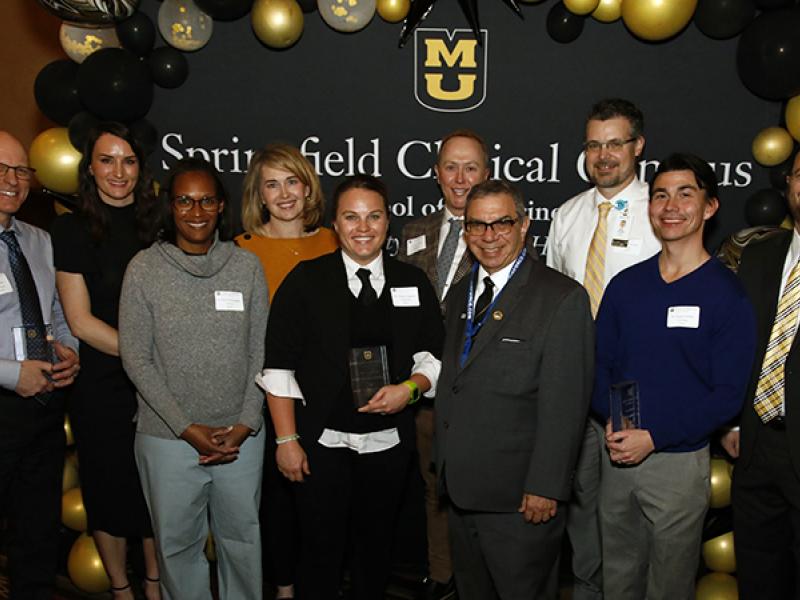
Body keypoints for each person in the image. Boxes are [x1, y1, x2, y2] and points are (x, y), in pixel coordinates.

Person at [261, 174, 444, 600]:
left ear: (387, 221)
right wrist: (286, 441)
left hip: (387, 446)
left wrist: (409, 390)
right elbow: (279, 368)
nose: (363, 227)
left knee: (375, 554)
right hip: (320, 445)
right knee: (319, 554)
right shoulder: (305, 281)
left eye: (373, 216)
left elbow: (434, 357)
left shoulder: (412, 282)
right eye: (351, 217)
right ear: (335, 223)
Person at [591, 154, 755, 600]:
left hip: (679, 464)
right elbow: (598, 365)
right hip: (617, 454)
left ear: (710, 206)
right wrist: (615, 421)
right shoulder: (626, 285)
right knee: (617, 581)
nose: (671, 206)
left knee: (669, 587)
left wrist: (654, 436)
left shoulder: (727, 295)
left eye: (686, 194)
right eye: (660, 195)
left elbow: (728, 394)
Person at [435, 179, 594, 600]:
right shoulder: (462, 292)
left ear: (524, 225)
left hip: (520, 499)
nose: (489, 236)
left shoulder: (561, 298)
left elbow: (566, 405)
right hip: (462, 490)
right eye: (477, 225)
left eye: (501, 223)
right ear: (465, 230)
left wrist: (546, 486)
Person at [119, 157, 268, 600]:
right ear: (170, 206)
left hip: (240, 438)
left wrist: (245, 424)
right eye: (185, 201)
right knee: (177, 549)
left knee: (243, 545)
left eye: (206, 201)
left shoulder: (246, 266)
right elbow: (136, 358)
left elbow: (261, 351)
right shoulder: (143, 269)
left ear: (222, 206)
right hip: (168, 438)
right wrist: (186, 428)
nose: (196, 211)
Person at [545, 98, 661, 599]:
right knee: (580, 507)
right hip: (575, 386)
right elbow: (554, 300)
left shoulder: (662, 211)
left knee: (627, 511)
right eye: (594, 145)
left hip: (633, 389)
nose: (604, 155)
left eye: (615, 143)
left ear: (638, 146)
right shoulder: (568, 215)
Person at [50, 122, 161, 599]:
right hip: (102, 381)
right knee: (108, 488)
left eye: (129, 160)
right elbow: (79, 321)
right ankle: (120, 588)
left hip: (161, 382)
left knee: (156, 490)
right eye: (107, 160)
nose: (119, 171)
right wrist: (144, 358)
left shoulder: (160, 223)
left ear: (141, 167)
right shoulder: (71, 228)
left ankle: (154, 582)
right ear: (89, 168)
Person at [235, 143, 338, 600]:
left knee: (323, 503)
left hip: (326, 396)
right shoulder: (241, 250)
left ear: (308, 186)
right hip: (263, 397)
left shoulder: (334, 241)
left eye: (292, 181)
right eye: (272, 185)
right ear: (258, 195)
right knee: (277, 502)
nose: (284, 194)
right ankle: (283, 588)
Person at [398, 129, 490, 599]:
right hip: (422, 396)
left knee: (475, 493)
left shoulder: (502, 235)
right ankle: (441, 576)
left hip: (477, 396)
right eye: (451, 167)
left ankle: (476, 581)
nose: (460, 178)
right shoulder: (414, 233)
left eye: (470, 167)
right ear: (436, 174)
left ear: (486, 173)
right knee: (432, 489)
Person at [0, 130, 80, 599]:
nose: (12, 181)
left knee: (37, 535)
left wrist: (69, 351)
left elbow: (56, 312)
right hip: (5, 396)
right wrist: (14, 374)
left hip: (44, 408)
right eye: (1, 169)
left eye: (20, 170)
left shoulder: (39, 240)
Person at [724, 147, 800, 599]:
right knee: (759, 577)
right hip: (755, 446)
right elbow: (740, 345)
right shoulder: (760, 255)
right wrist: (733, 421)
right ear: (788, 185)